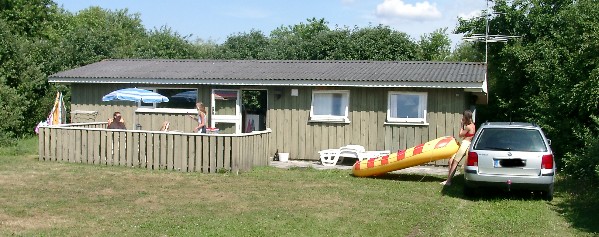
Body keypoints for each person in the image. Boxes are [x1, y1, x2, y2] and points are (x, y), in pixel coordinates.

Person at [441, 110, 475, 186]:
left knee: (454, 162)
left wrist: (461, 125)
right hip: (466, 144)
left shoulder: (468, 127)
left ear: (465, 117)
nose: (462, 118)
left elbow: (460, 134)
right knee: (450, 161)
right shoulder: (473, 125)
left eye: (463, 116)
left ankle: (448, 181)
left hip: (465, 145)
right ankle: (449, 179)